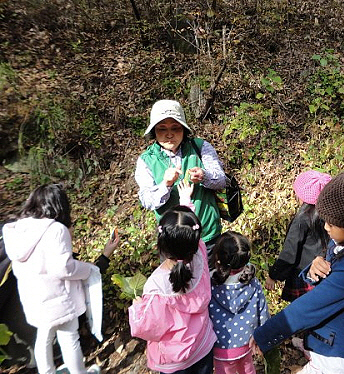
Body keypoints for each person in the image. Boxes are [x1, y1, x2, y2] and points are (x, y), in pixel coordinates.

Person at [250, 157, 344, 374]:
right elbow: (327, 271)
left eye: (331, 223)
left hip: (339, 356)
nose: (325, 227)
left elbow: (309, 308)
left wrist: (265, 334)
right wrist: (313, 268)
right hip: (331, 345)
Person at [2, 184, 118, 374]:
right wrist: (88, 269)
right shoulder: (56, 229)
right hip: (58, 300)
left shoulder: (18, 229)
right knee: (70, 339)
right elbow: (63, 267)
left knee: (43, 340)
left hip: (34, 300)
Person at [128, 180, 217, 374]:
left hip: (175, 361)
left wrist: (137, 307)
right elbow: (188, 232)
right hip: (202, 345)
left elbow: (147, 327)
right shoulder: (200, 254)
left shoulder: (156, 284)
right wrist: (186, 201)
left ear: (161, 245)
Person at [135, 99, 226, 255]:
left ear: (184, 129)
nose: (169, 134)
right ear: (154, 132)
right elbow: (147, 201)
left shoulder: (200, 147)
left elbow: (221, 180)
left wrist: (204, 176)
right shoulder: (146, 160)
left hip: (207, 237)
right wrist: (166, 185)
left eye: (175, 128)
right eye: (162, 129)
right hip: (172, 241)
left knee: (209, 278)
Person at [265, 170, 331, 301]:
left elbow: (290, 252)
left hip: (303, 273)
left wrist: (274, 275)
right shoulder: (330, 215)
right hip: (323, 270)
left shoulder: (302, 219)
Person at [209, 231, 270, 374]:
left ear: (217, 257)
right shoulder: (252, 282)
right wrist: (263, 337)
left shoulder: (210, 284)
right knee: (248, 369)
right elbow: (263, 312)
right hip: (247, 342)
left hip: (219, 346)